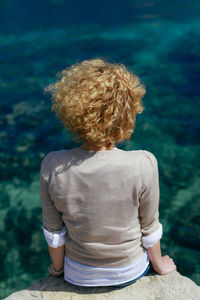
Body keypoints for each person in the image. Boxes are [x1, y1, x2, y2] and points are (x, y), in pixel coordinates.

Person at [40, 58, 176, 288]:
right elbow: (149, 228)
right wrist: (160, 265)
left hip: (78, 274)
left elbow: (54, 232)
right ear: (127, 112)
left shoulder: (53, 165)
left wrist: (58, 269)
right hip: (130, 270)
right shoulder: (143, 163)